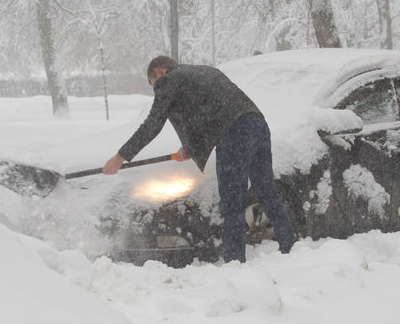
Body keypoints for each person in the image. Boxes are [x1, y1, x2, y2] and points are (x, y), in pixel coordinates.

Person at [102, 55, 295, 263]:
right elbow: (207, 110)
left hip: (234, 134)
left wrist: (120, 156)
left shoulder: (168, 80)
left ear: (158, 72)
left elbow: (153, 124)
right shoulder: (205, 71)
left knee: (233, 203)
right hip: (257, 124)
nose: (157, 89)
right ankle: (290, 248)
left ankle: (235, 264)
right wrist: (191, 148)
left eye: (153, 84)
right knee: (266, 191)